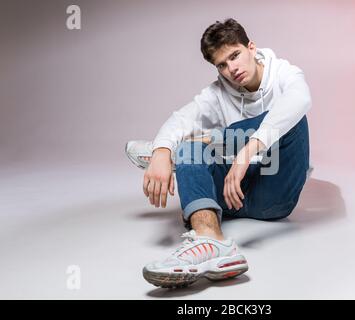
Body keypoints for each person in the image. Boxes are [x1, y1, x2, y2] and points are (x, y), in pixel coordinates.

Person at [125, 18, 312, 288]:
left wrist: (246, 153)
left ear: (251, 48)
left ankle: (202, 142)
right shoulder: (218, 93)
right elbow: (181, 118)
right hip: (229, 194)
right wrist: (162, 151)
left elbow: (300, 99)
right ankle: (210, 241)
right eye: (221, 65)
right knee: (189, 150)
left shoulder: (284, 73)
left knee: (292, 117)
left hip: (275, 191)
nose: (231, 69)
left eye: (235, 56)